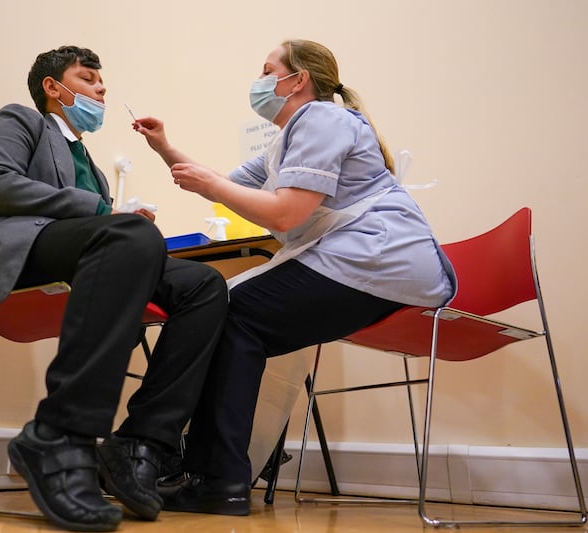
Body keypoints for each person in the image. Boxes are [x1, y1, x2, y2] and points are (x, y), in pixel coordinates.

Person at [131, 39, 456, 516]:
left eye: (267, 70)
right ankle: (212, 474)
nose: (259, 82)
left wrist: (209, 183)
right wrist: (164, 147)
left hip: (375, 260)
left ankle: (213, 474)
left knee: (230, 314)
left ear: (298, 79)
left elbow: (285, 214)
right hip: (365, 264)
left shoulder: (323, 118)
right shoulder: (284, 143)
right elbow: (221, 184)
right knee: (231, 318)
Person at [0, 45, 228, 531]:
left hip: (85, 258)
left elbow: (102, 227)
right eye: (88, 79)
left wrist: (117, 219)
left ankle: (140, 443)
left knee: (205, 286)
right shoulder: (23, 120)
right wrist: (103, 214)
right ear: (53, 87)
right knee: (130, 233)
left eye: (102, 82)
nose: (101, 89)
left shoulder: (84, 155)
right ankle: (59, 433)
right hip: (24, 253)